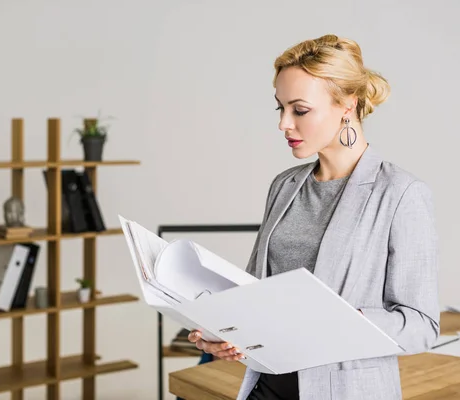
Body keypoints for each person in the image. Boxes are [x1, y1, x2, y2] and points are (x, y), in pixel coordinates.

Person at [187, 34, 440, 400]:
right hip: (266, 386)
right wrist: (223, 331)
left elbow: (422, 326)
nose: (284, 124)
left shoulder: (401, 193)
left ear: (346, 106)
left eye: (300, 110)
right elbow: (255, 293)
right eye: (280, 108)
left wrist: (337, 320)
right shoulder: (284, 185)